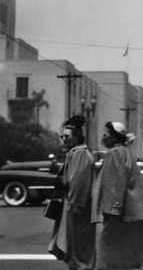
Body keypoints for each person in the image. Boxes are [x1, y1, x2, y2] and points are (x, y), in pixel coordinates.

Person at [92, 122, 143, 270]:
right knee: (138, 244)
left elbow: (117, 182)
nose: (103, 137)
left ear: (115, 138)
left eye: (106, 134)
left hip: (122, 211)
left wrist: (113, 210)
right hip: (135, 209)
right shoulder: (125, 151)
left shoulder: (115, 153)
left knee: (107, 244)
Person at [48, 115, 96, 270]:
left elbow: (77, 183)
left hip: (77, 209)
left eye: (67, 136)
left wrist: (73, 205)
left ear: (77, 136)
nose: (64, 139)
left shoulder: (79, 154)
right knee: (76, 249)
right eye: (62, 136)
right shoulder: (77, 152)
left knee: (78, 250)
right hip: (76, 208)